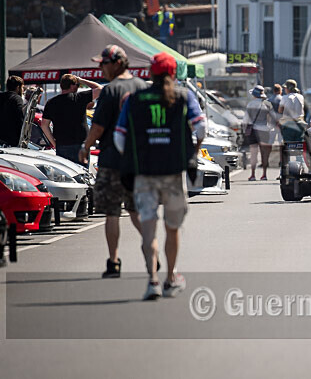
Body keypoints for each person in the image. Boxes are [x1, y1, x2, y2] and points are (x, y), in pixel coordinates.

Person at [114, 52, 206, 300]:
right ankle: (171, 278)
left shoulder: (135, 99)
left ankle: (152, 281)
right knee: (172, 228)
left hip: (145, 173)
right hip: (173, 172)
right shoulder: (184, 96)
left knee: (149, 229)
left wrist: (134, 157)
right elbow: (201, 127)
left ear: (150, 73)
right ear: (173, 74)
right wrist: (194, 151)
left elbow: (119, 137)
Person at [79, 45, 148, 278]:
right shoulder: (141, 87)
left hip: (112, 161)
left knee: (112, 213)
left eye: (104, 64)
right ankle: (152, 249)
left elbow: (97, 127)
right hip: (137, 162)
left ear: (117, 63)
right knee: (136, 211)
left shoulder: (110, 91)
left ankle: (114, 261)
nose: (101, 68)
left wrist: (85, 147)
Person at [40, 74, 103, 165]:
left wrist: (54, 143)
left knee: (65, 173)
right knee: (81, 172)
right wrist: (81, 80)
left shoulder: (51, 102)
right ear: (72, 86)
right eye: (77, 85)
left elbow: (44, 125)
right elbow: (100, 89)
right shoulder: (79, 97)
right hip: (80, 144)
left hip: (62, 145)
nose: (78, 87)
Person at [244, 85, 277, 181]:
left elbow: (246, 119)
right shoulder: (267, 104)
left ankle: (253, 175)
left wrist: (245, 129)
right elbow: (273, 118)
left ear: (254, 95)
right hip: (264, 130)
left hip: (253, 131)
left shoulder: (250, 104)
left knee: (253, 153)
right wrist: (271, 128)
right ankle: (264, 174)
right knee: (264, 153)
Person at [0, 76, 25, 147]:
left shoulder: (1, 97)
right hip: (12, 140)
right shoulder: (17, 99)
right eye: (22, 87)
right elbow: (20, 118)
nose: (23, 90)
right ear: (18, 87)